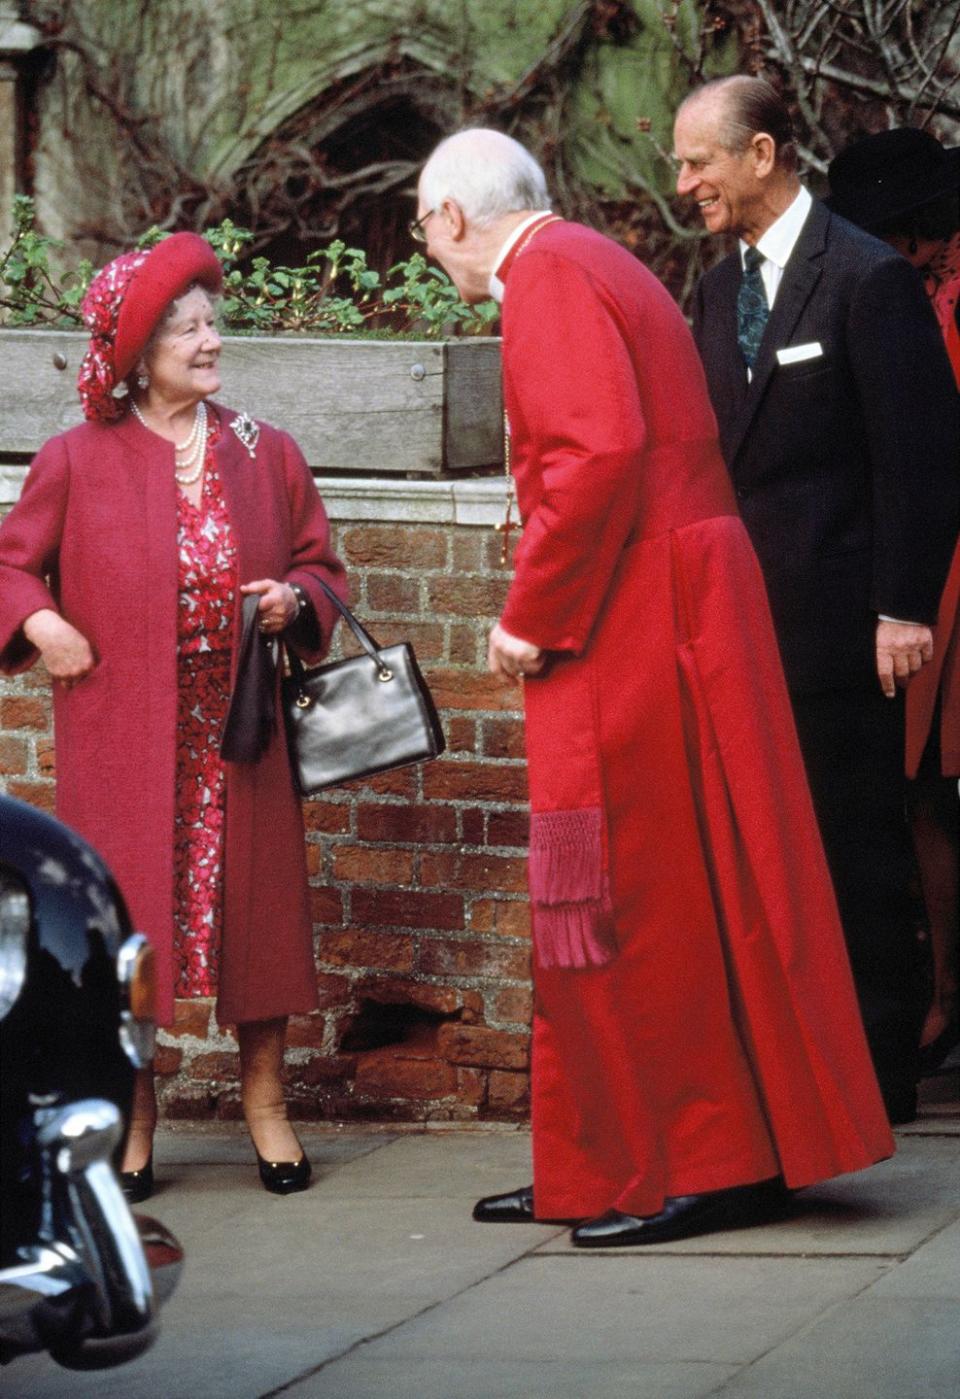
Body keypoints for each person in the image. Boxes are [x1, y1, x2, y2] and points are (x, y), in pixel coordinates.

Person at [414, 126, 893, 1248]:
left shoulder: (550, 276)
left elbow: (598, 455)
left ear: (448, 219)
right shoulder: (586, 259)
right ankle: (601, 1158)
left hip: (640, 608)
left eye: (424, 228)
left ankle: (707, 1157)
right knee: (631, 890)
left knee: (641, 888)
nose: (431, 244)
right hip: (665, 592)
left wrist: (530, 613)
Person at [0, 232, 347, 1199]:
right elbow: (8, 563)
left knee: (259, 919)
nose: (211, 341)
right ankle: (137, 1114)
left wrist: (295, 602)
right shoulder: (76, 459)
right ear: (136, 355)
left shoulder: (263, 449)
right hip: (121, 731)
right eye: (186, 329)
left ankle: (266, 1104)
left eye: (212, 322)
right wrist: (40, 619)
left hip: (240, 728)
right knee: (127, 924)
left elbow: (324, 566)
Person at [674, 76, 960, 1123]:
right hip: (741, 630)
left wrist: (902, 608)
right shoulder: (712, 294)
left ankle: (879, 1072)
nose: (684, 182)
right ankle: (791, 1068)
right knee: (765, 857)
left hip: (844, 628)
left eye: (698, 160)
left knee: (856, 848)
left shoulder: (866, 277)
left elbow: (922, 459)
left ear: (762, 154)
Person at [828, 127, 960, 1072]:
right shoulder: (900, 289)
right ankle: (945, 997)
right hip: (931, 573)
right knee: (924, 792)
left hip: (939, 571)